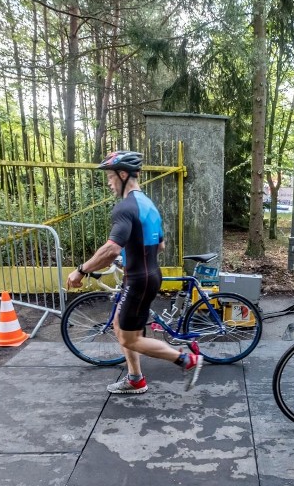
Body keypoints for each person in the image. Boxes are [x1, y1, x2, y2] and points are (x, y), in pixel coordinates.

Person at [66, 150, 203, 394]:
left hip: (138, 281)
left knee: (131, 339)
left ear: (122, 174)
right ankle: (135, 378)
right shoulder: (148, 205)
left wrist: (81, 270)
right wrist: (131, 256)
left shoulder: (125, 208)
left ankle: (186, 360)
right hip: (149, 273)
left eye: (110, 177)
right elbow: (160, 245)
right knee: (119, 326)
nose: (109, 183)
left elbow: (111, 248)